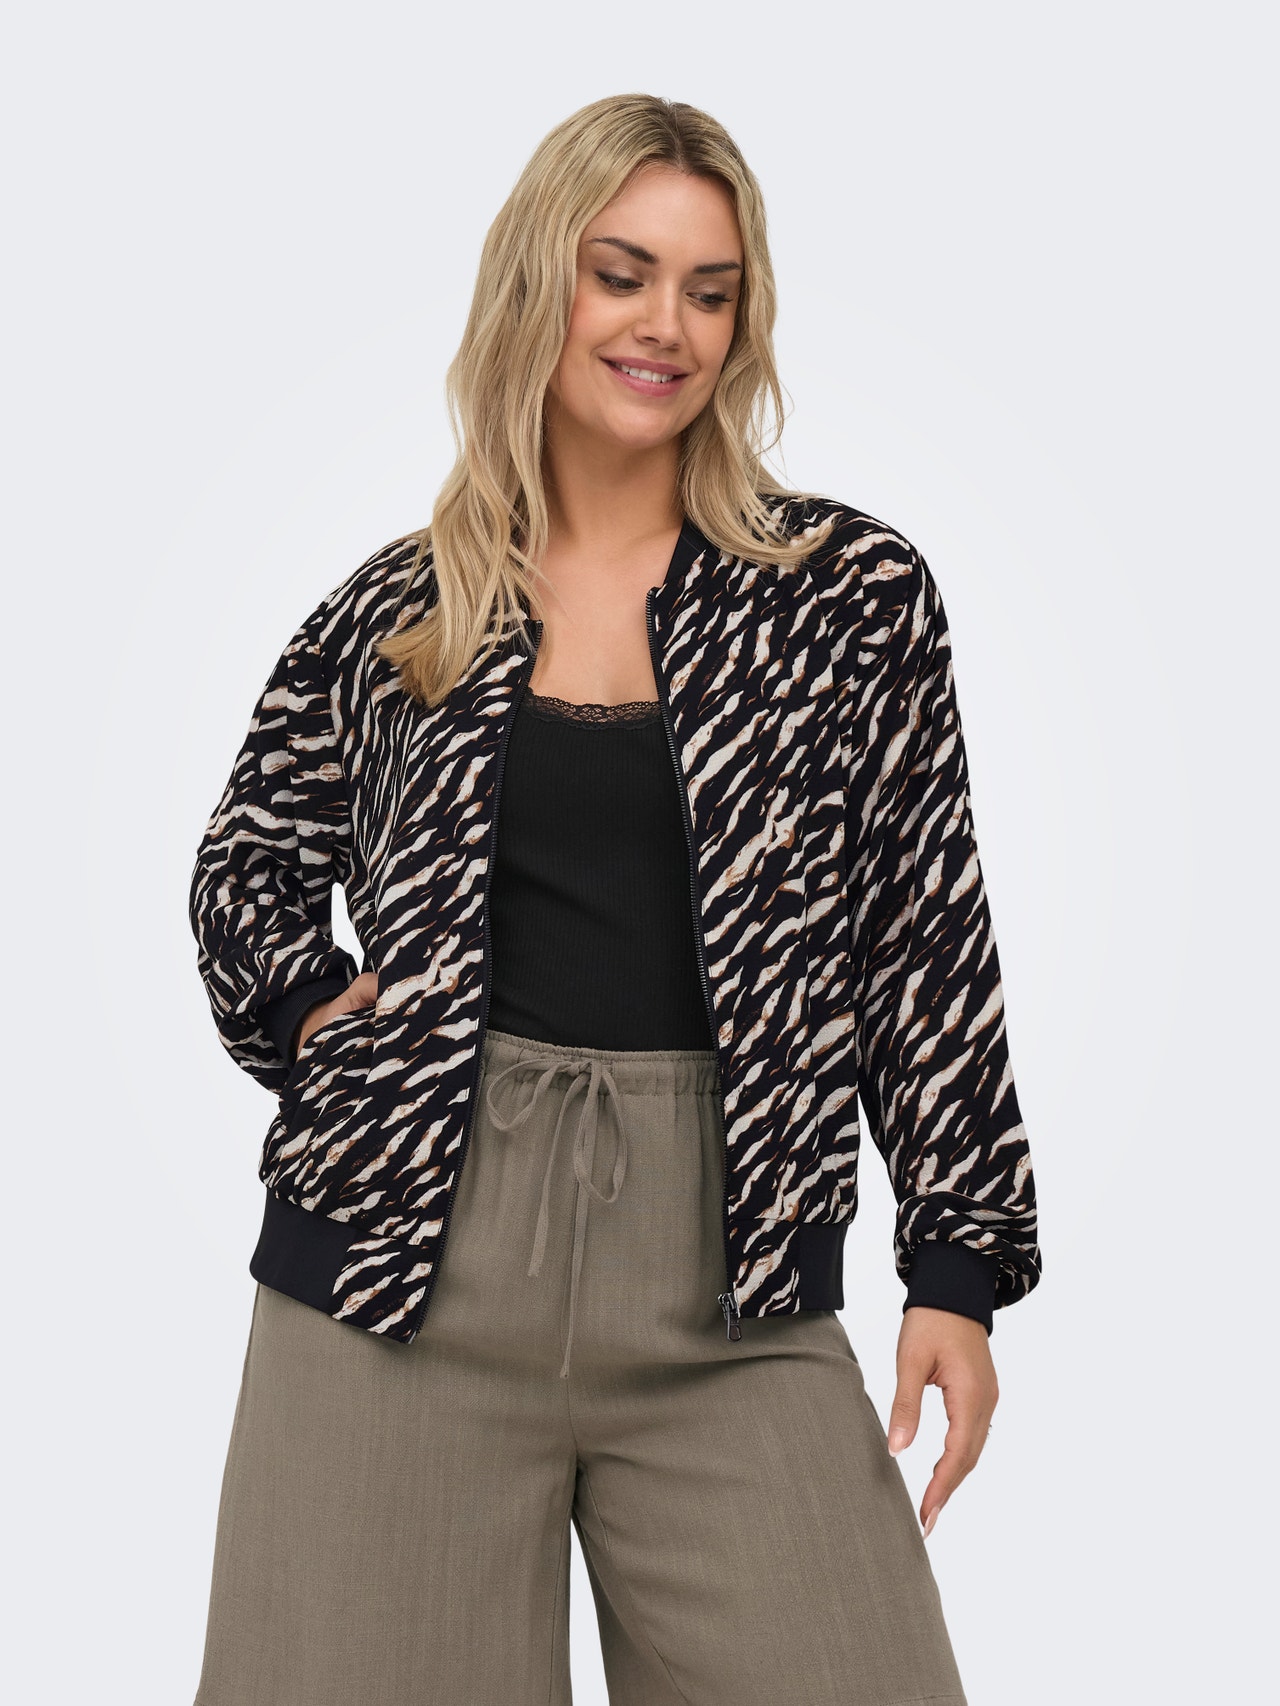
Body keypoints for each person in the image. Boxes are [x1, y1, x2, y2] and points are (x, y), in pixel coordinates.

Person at [187, 92, 1041, 1706]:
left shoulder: (846, 600)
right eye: (623, 273)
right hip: (396, 1272)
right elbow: (246, 866)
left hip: (733, 1279)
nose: (667, 325)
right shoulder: (402, 612)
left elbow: (924, 937)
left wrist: (956, 1264)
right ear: (540, 286)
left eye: (711, 291)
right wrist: (312, 1011)